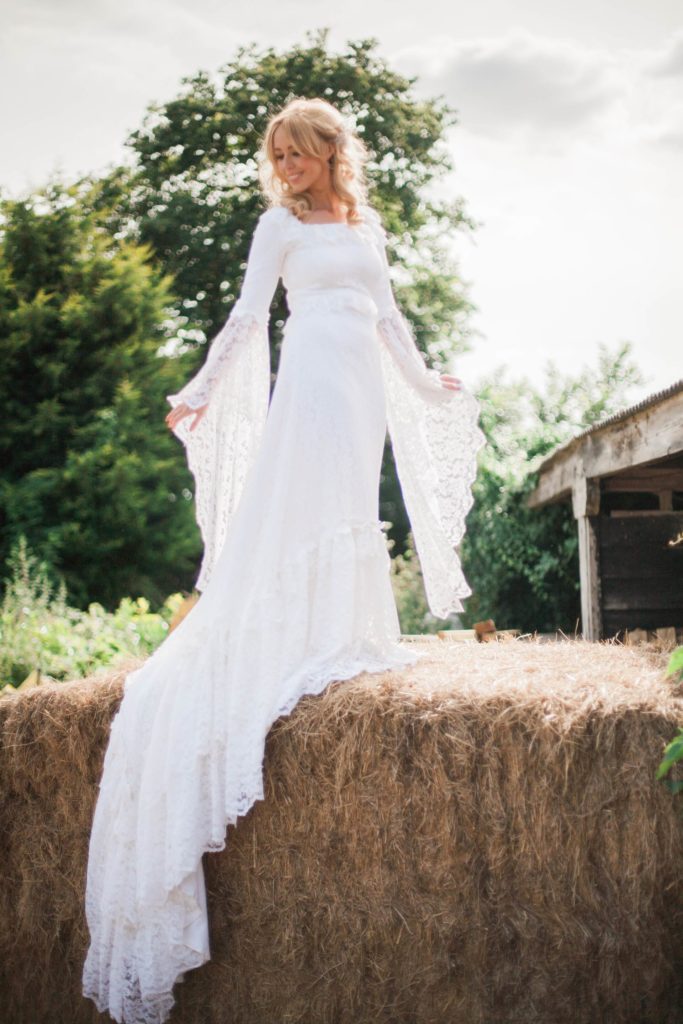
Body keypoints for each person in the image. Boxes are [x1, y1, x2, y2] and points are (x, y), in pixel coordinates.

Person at [82, 96, 485, 1024]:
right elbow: (246, 314)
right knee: (297, 504)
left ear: (328, 153)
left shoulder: (364, 226)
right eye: (276, 154)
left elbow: (390, 321)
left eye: (296, 152)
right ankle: (285, 633)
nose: (284, 165)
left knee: (349, 504)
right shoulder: (277, 226)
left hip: (360, 389)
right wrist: (199, 386)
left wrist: (427, 386)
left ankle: (343, 630)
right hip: (304, 375)